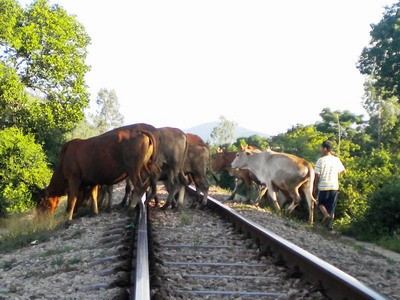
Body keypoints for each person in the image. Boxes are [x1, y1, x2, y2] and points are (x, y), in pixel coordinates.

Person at [314, 140, 346, 227]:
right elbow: (343, 171)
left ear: (325, 149)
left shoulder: (320, 160)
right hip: (334, 186)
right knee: (331, 207)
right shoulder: (336, 159)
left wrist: (315, 186)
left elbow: (316, 175)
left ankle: (326, 215)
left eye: (321, 148)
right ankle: (329, 227)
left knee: (320, 203)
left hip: (323, 186)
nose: (321, 150)